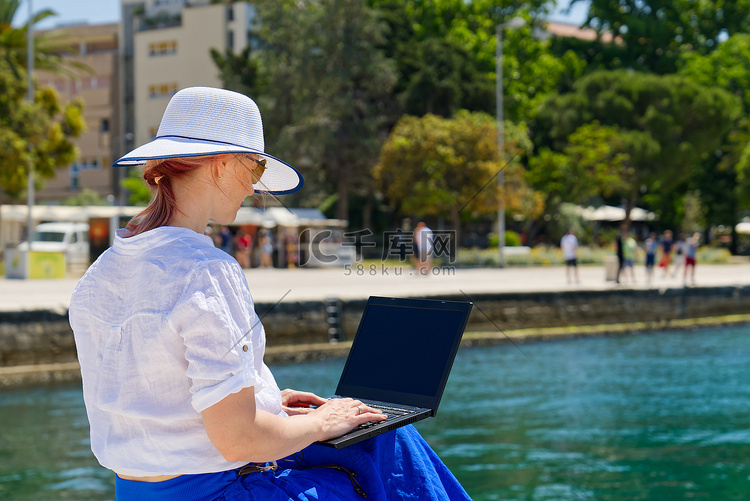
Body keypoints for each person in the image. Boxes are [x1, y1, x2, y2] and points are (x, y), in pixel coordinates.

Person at [68, 87, 470, 501]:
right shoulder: (207, 271)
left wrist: (263, 399)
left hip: (140, 491)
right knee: (385, 441)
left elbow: (153, 395)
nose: (256, 189)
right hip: (219, 491)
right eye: (256, 167)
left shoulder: (101, 273)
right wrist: (319, 422)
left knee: (371, 433)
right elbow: (240, 441)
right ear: (222, 165)